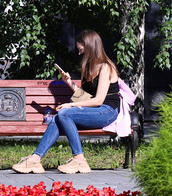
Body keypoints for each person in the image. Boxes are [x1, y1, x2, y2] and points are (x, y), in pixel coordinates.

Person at [12, 29, 121, 174]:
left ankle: (80, 160)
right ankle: (35, 160)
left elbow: (99, 100)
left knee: (64, 113)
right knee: (58, 118)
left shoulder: (106, 67)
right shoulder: (87, 67)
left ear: (89, 46)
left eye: (81, 49)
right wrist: (69, 83)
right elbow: (85, 96)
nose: (79, 53)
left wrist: (71, 105)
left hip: (107, 111)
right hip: (94, 110)